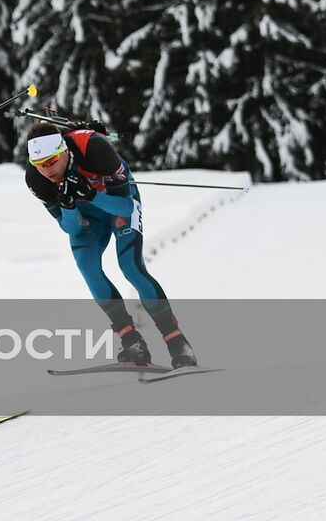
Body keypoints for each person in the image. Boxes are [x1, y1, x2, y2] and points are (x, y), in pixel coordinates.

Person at [24, 120, 197, 369]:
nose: (47, 170)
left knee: (130, 267)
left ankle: (177, 342)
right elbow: (69, 228)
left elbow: (125, 207)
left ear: (64, 150)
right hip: (87, 216)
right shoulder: (35, 178)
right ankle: (131, 341)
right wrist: (68, 205)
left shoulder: (94, 148)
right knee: (87, 267)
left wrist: (92, 194)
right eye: (40, 165)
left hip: (115, 204)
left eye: (51, 162)